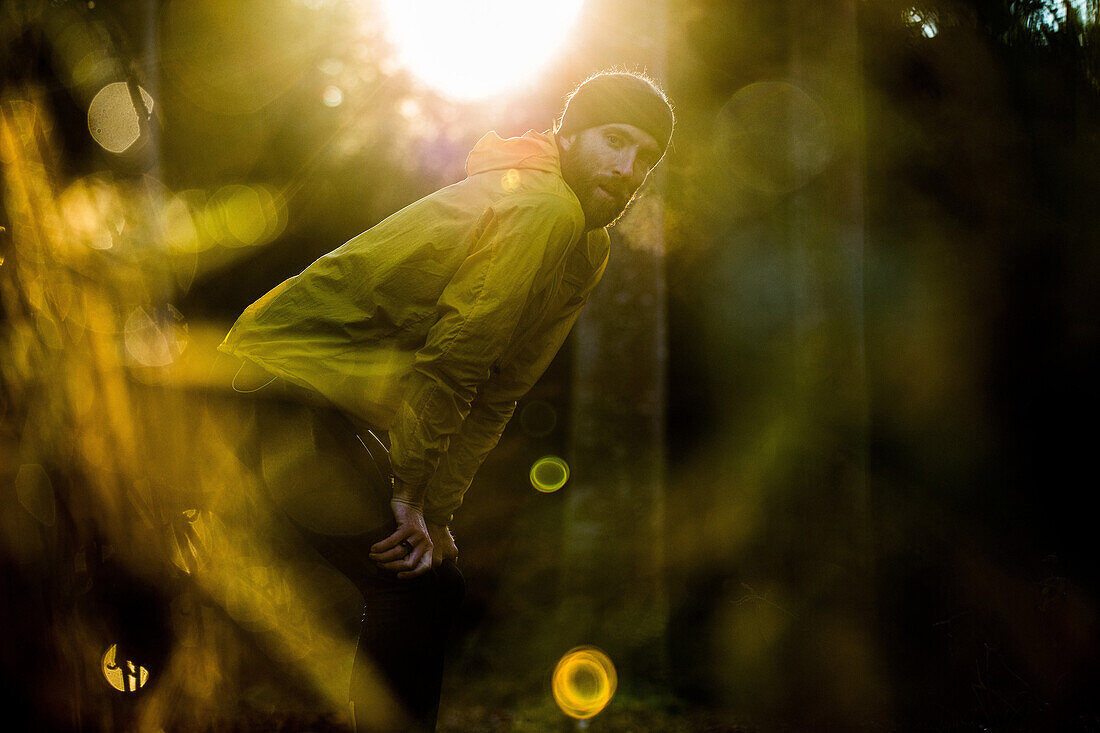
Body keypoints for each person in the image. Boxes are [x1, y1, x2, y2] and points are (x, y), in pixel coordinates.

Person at [216, 70, 674, 731]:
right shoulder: (545, 208)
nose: (629, 169)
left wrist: (436, 509)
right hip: (277, 377)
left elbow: (502, 387)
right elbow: (457, 355)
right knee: (413, 585)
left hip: (329, 395)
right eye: (615, 141)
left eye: (645, 158)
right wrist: (410, 487)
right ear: (570, 135)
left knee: (430, 577)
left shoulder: (587, 245)